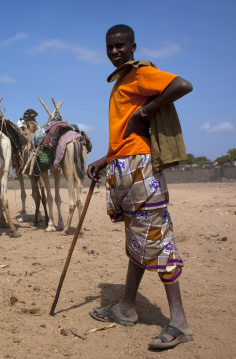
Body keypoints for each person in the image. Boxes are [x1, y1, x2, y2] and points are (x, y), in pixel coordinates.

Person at [87, 24, 194, 350]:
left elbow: (182, 84)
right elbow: (126, 136)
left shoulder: (142, 74)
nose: (114, 52)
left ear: (133, 46)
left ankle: (179, 322)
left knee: (158, 241)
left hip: (141, 172)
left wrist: (145, 111)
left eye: (120, 46)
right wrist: (105, 159)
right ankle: (126, 308)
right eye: (110, 47)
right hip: (123, 169)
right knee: (138, 241)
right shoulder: (121, 80)